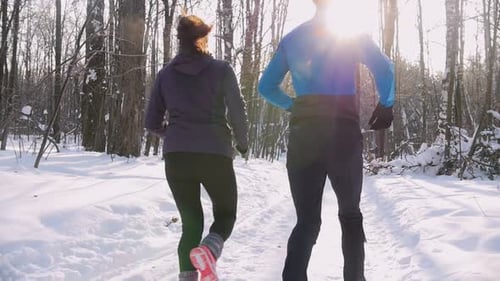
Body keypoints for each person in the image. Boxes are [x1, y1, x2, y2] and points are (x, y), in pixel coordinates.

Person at [258, 0, 395, 280]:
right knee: (350, 215)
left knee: (306, 222)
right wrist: (386, 104)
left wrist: (293, 106)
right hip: (342, 134)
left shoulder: (293, 38)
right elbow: (384, 69)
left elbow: (266, 87)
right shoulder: (353, 34)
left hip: (304, 135)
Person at [145, 14, 248, 281]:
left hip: (177, 157)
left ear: (179, 41)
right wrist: (242, 142)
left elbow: (151, 121)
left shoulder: (165, 74)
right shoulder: (222, 70)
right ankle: (209, 251)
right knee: (226, 215)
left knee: (191, 225)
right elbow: (237, 112)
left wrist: (174, 135)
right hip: (215, 154)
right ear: (202, 38)